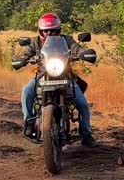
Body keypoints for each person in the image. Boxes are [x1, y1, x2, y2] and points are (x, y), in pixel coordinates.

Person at [20, 13, 95, 146]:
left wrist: (83, 53)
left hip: (66, 76)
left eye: (53, 30)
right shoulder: (34, 42)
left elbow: (77, 48)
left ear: (59, 30)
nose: (49, 33)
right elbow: (26, 52)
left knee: (82, 104)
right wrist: (23, 58)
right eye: (46, 30)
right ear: (40, 31)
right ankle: (29, 122)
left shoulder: (66, 40)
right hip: (42, 76)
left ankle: (86, 133)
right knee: (27, 91)